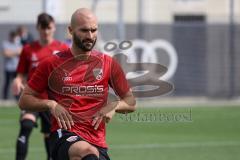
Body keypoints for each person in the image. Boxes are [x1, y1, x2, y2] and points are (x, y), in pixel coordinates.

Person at [18, 8, 136, 160]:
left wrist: (114, 106)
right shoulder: (51, 64)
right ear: (70, 30)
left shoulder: (109, 64)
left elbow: (131, 102)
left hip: (97, 142)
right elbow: (24, 100)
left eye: (94, 30)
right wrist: (51, 104)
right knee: (85, 152)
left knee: (89, 153)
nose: (90, 36)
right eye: (84, 30)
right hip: (63, 135)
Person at [12, 13, 68, 160]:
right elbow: (20, 74)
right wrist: (17, 81)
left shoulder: (62, 49)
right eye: (43, 28)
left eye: (49, 27)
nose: (46, 31)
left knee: (50, 137)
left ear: (54, 27)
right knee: (26, 126)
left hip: (52, 101)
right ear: (37, 28)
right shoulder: (28, 49)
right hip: (33, 98)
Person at [1, 30, 22, 99]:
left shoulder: (18, 43)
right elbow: (6, 54)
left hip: (16, 68)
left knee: (16, 84)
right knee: (7, 84)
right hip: (8, 68)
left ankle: (17, 98)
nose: (13, 39)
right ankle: (5, 98)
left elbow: (21, 52)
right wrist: (15, 52)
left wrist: (11, 53)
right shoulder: (5, 43)